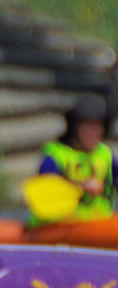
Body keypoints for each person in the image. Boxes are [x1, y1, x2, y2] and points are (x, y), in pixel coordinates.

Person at [34, 94, 116, 223]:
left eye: (97, 127)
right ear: (74, 128)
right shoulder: (56, 156)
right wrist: (81, 186)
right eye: (87, 127)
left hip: (99, 224)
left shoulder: (107, 156)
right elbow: (46, 192)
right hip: (59, 227)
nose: (93, 132)